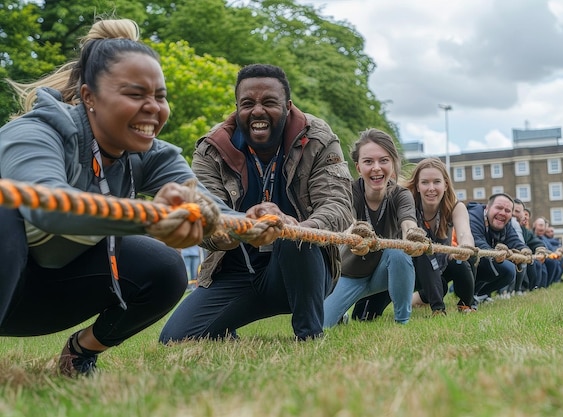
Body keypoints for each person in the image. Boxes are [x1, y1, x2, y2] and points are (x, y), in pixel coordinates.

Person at [0, 18, 253, 377]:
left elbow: (207, 205)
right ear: (89, 97)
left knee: (164, 267)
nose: (153, 108)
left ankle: (80, 352)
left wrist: (252, 222)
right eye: (135, 95)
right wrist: (150, 217)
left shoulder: (154, 154)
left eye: (160, 97)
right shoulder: (33, 133)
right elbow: (48, 207)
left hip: (41, 299)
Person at [159, 64, 353, 342]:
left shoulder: (318, 138)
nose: (258, 111)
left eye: (269, 102)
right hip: (236, 270)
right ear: (237, 107)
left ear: (288, 106)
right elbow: (203, 221)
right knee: (175, 338)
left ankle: (309, 335)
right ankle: (227, 330)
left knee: (292, 236)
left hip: (303, 268)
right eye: (247, 103)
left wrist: (296, 226)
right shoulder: (211, 148)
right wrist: (237, 230)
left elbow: (339, 205)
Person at [350, 157, 477, 318]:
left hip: (439, 271)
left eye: (436, 182)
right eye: (425, 182)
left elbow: (465, 233)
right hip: (403, 268)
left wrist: (464, 247)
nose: (431, 188)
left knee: (463, 262)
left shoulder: (455, 206)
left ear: (445, 184)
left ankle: (460, 305)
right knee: (364, 316)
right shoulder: (406, 202)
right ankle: (411, 299)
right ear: (417, 185)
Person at [322, 128, 418, 328]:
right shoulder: (348, 192)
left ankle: (402, 322)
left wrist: (412, 235)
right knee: (320, 325)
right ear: (358, 167)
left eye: (384, 160)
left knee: (398, 252)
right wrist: (351, 234)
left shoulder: (401, 195)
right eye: (368, 162)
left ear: (393, 164)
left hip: (383, 273)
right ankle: (342, 316)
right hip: (351, 274)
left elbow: (408, 222)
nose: (376, 168)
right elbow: (347, 222)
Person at [467, 193, 529, 302]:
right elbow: (476, 240)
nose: (502, 213)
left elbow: (513, 240)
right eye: (499, 208)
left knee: (509, 271)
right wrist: (494, 255)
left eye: (507, 210)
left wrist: (524, 251)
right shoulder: (474, 215)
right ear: (488, 208)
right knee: (479, 261)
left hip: (485, 258)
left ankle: (478, 295)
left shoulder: (507, 224)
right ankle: (466, 295)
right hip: (460, 262)